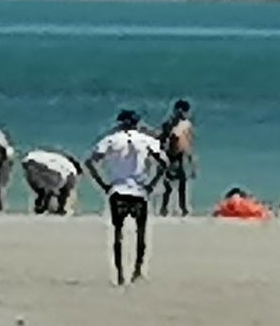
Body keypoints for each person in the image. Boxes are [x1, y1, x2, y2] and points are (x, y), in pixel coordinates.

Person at [85, 109, 167, 284]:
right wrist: (152, 184)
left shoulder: (111, 140)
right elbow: (164, 162)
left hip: (118, 191)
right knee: (141, 233)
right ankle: (137, 270)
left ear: (120, 123)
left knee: (117, 235)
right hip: (139, 191)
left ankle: (120, 274)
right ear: (137, 123)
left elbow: (90, 161)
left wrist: (103, 184)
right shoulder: (146, 140)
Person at [156, 99, 196, 216]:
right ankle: (166, 208)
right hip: (170, 155)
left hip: (179, 155)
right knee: (169, 185)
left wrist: (191, 161)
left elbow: (188, 143)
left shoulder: (185, 125)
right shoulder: (169, 124)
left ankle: (181, 208)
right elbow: (161, 139)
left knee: (180, 184)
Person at [21, 149, 80, 214]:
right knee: (62, 191)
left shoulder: (59, 160)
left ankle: (43, 206)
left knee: (44, 191)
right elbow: (65, 189)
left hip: (31, 165)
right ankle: (58, 208)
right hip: (40, 166)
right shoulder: (70, 169)